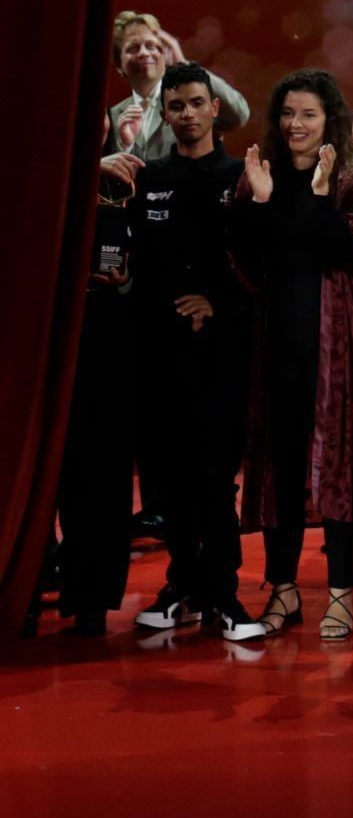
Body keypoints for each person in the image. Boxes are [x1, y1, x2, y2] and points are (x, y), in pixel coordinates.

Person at [232, 69, 353, 642]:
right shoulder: (259, 175)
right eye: (288, 113)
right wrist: (262, 204)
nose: (296, 124)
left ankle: (341, 593)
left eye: (309, 115)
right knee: (281, 465)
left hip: (337, 341)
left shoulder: (346, 179)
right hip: (275, 343)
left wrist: (317, 199)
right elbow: (246, 261)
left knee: (339, 462)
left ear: (328, 119)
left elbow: (351, 253)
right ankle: (284, 589)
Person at [127, 63, 262, 642]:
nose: (187, 113)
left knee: (213, 478)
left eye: (196, 103)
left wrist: (218, 304)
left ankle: (224, 595)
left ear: (215, 108)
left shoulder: (242, 178)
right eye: (176, 105)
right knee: (169, 481)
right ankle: (182, 586)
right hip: (157, 356)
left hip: (222, 358)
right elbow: (133, 261)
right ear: (165, 113)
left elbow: (260, 266)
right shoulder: (147, 178)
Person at [53, 121, 136, 637]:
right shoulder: (43, 177)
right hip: (47, 340)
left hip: (107, 339)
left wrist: (126, 282)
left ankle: (92, 598)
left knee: (101, 470)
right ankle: (35, 583)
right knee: (46, 470)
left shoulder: (130, 178)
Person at [105, 10, 249, 159]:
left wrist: (184, 65)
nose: (144, 53)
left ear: (164, 54)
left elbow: (238, 116)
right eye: (133, 48)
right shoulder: (111, 119)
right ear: (119, 66)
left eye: (151, 46)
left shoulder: (194, 104)